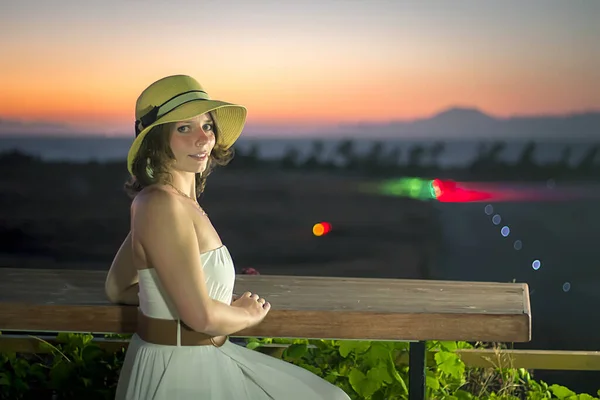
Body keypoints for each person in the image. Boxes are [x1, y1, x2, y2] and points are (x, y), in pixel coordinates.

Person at [105, 74, 351, 399]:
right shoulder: (161, 205)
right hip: (180, 370)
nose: (202, 138)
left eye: (207, 126)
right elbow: (201, 316)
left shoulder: (173, 203)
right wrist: (246, 313)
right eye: (184, 128)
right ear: (156, 140)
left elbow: (117, 287)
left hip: (197, 357)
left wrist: (179, 301)